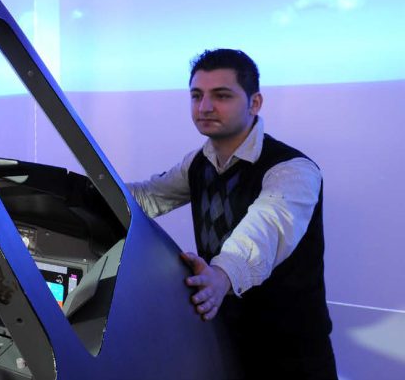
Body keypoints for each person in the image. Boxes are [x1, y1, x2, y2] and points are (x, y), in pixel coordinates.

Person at [128, 49, 335, 378]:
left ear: (255, 103)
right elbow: (150, 196)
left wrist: (221, 276)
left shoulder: (293, 170)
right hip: (225, 339)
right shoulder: (198, 161)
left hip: (291, 354)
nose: (204, 107)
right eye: (197, 96)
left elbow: (263, 232)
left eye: (221, 95)